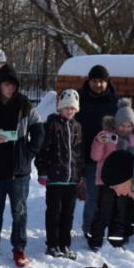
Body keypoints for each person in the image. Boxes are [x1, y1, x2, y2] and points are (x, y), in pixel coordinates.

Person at [0, 64, 44, 268]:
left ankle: (19, 249)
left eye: (13, 85)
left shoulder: (25, 105)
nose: (10, 89)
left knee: (19, 212)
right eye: (6, 85)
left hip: (18, 172)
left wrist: (28, 154)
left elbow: (39, 131)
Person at [35, 89, 85, 259]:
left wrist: (80, 174)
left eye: (72, 108)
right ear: (60, 108)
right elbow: (43, 150)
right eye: (66, 108)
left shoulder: (77, 127)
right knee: (54, 213)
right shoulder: (51, 125)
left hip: (71, 180)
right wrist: (42, 172)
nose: (69, 111)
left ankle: (65, 245)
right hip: (55, 178)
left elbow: (79, 153)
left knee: (68, 214)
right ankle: (52, 245)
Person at [88, 98, 134, 250]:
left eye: (128, 126)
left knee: (120, 213)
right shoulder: (106, 136)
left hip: (125, 184)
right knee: (103, 212)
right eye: (122, 125)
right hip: (106, 183)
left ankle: (116, 240)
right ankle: (95, 240)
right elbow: (95, 157)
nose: (125, 129)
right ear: (116, 124)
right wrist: (98, 142)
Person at [75, 65, 119, 235]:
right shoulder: (79, 98)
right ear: (89, 81)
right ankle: (73, 229)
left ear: (107, 82)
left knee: (94, 196)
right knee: (72, 196)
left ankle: (91, 229)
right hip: (78, 154)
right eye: (94, 81)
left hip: (101, 158)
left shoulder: (114, 102)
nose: (98, 84)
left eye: (101, 81)